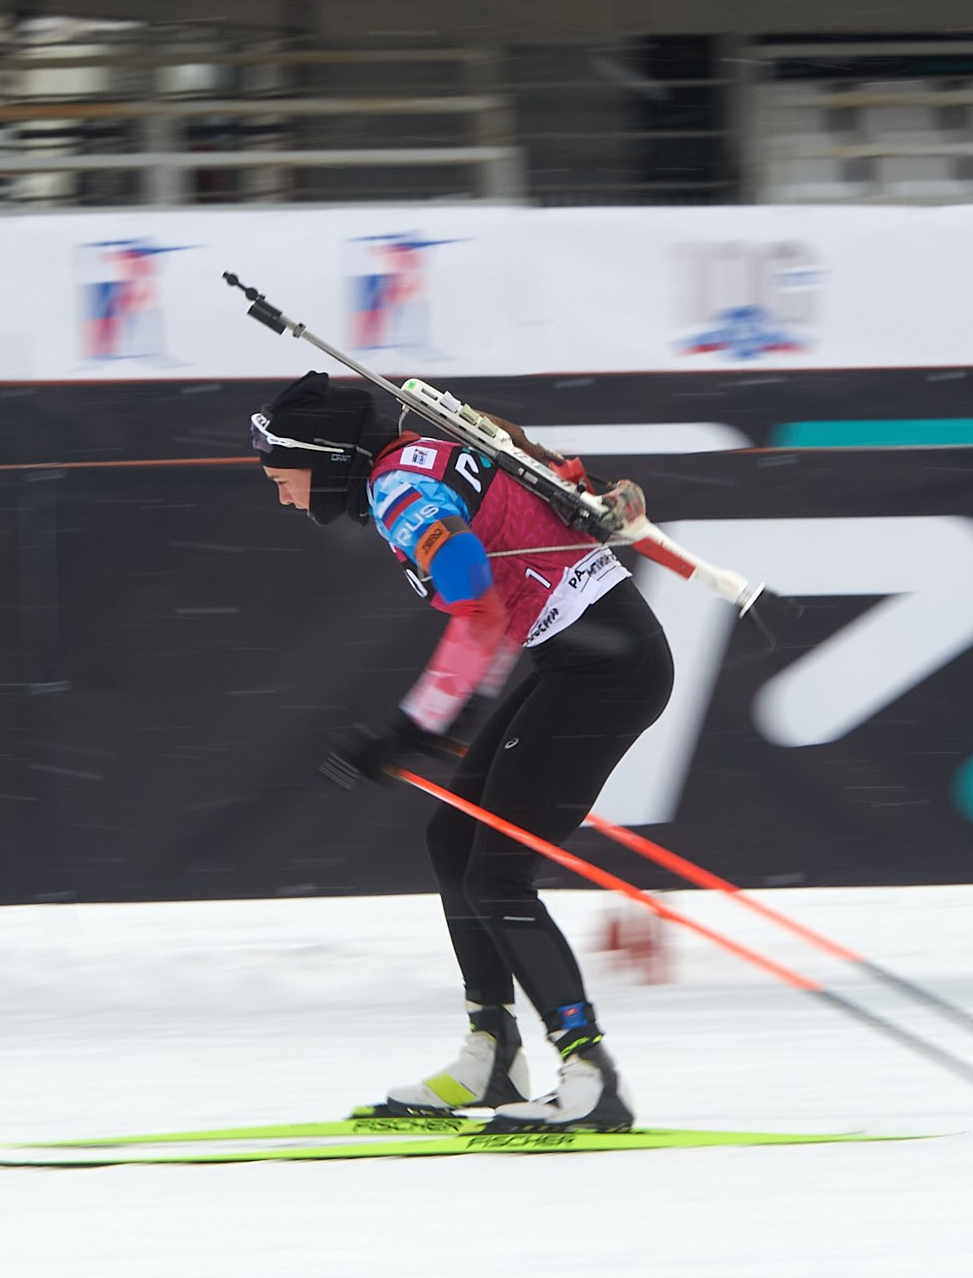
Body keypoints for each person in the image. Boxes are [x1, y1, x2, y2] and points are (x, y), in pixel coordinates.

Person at [251, 371, 673, 1131]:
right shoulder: (426, 457)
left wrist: (415, 725)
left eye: (286, 479)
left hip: (603, 668)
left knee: (499, 875)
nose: (284, 498)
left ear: (326, 459)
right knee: (452, 838)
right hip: (589, 655)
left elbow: (473, 592)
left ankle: (589, 1073)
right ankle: (492, 1055)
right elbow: (501, 576)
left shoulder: (397, 494)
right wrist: (430, 724)